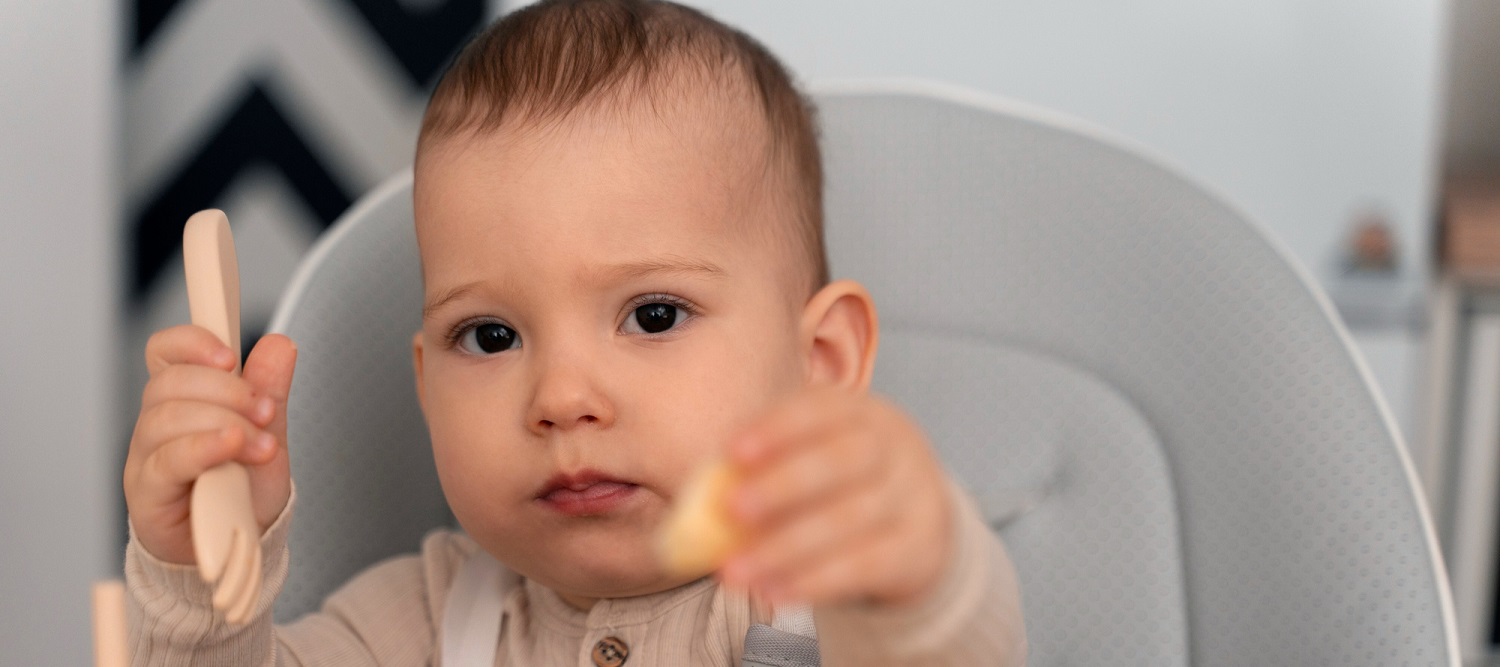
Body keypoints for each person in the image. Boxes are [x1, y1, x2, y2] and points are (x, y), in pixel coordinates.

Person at [122, 1, 1027, 664]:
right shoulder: (427, 621)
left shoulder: (812, 597)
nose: (561, 397)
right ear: (427, 386)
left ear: (819, 362)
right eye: (490, 336)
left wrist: (920, 566)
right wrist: (199, 584)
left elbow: (939, 650)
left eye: (653, 315)